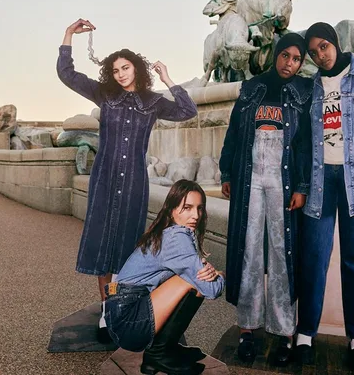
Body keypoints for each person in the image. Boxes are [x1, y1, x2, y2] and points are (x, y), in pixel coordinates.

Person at [57, 19, 198, 342]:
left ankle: (121, 308)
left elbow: (187, 111)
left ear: (136, 68)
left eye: (126, 67)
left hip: (135, 184)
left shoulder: (152, 102)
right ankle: (107, 313)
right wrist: (68, 35)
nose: (121, 74)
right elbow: (67, 74)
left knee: (126, 248)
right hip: (104, 182)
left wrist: (168, 79)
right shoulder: (104, 95)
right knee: (103, 247)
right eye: (116, 70)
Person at [293, 22, 354, 372]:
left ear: (334, 43)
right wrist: (302, 186)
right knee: (314, 257)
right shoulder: (312, 87)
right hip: (321, 180)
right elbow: (305, 141)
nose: (321, 55)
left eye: (324, 47)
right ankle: (305, 333)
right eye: (314, 52)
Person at [219, 33, 313, 366]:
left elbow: (305, 142)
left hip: (282, 175)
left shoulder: (304, 90)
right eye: (285, 56)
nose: (290, 63)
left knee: (281, 251)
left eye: (297, 58)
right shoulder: (251, 87)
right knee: (249, 249)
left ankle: (284, 330)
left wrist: (302, 185)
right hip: (249, 174)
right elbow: (233, 132)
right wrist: (227, 173)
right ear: (275, 55)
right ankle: (248, 327)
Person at [104, 179, 225, 375]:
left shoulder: (168, 232)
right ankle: (158, 354)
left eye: (199, 208)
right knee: (192, 283)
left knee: (190, 279)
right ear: (171, 210)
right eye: (187, 207)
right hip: (128, 323)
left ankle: (165, 349)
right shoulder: (176, 238)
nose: (196, 215)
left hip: (123, 313)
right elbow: (210, 290)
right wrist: (221, 275)